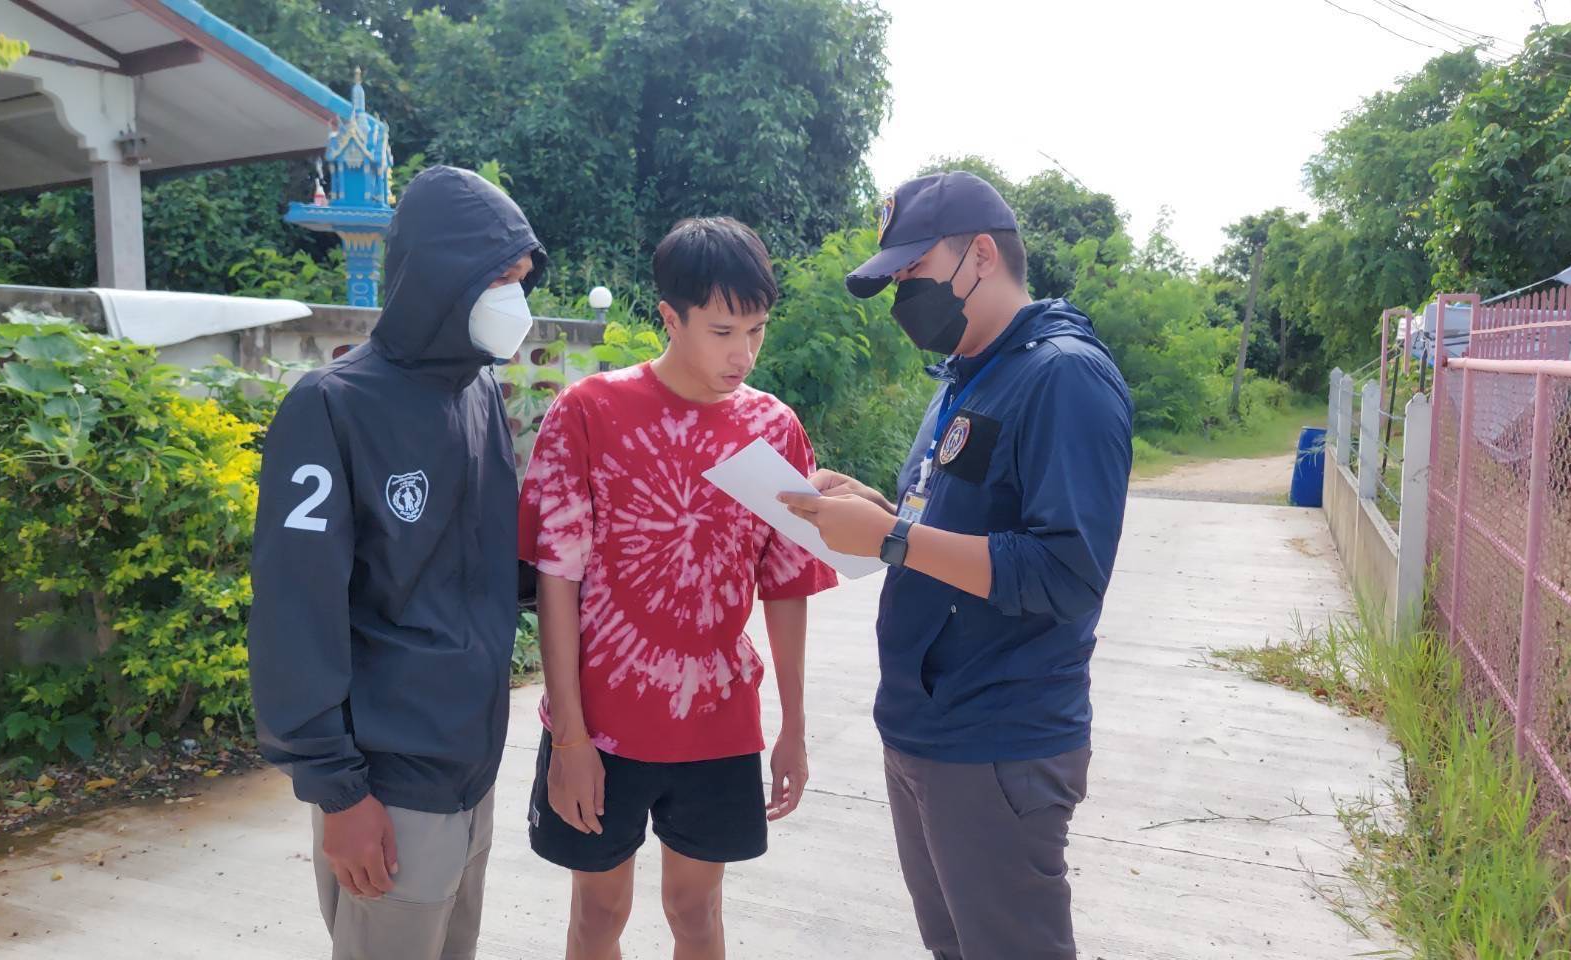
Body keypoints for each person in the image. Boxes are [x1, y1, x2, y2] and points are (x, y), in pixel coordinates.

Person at [780, 171, 1134, 960]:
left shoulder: (1061, 376)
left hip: (997, 738)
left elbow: (1066, 572)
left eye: (913, 271)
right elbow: (955, 519)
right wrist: (883, 509)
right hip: (924, 727)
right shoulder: (969, 374)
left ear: (981, 253)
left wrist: (887, 539)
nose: (906, 292)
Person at [517, 216, 839, 960]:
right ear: (670, 317)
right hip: (601, 723)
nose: (743, 353)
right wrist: (569, 736)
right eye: (723, 331)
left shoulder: (773, 428)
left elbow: (783, 586)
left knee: (696, 910)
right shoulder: (590, 413)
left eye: (757, 330)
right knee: (598, 914)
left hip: (719, 719)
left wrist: (791, 725)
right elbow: (555, 584)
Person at [247, 165, 546, 960]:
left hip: (471, 765)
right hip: (389, 779)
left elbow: (485, 562)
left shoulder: (478, 395)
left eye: (521, 279)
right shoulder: (332, 407)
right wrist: (337, 792)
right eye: (500, 280)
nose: (514, 300)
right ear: (445, 277)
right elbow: (292, 613)